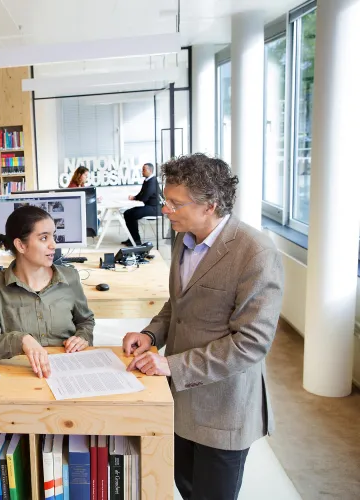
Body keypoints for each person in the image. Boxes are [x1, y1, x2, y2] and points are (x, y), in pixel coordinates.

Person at [121, 154, 283, 500]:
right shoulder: (184, 237)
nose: (165, 209)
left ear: (210, 205)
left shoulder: (256, 253)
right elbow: (177, 304)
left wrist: (172, 364)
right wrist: (150, 335)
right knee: (185, 486)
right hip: (180, 399)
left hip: (223, 408)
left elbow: (251, 344)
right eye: (166, 200)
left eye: (175, 204)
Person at [0, 206, 95, 378]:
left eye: (53, 235)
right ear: (21, 245)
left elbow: (85, 321)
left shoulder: (71, 277)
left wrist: (83, 337)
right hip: (21, 373)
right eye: (44, 238)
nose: (54, 244)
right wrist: (21, 340)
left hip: (69, 370)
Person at [122, 163, 160, 246]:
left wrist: (138, 198)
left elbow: (145, 197)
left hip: (155, 208)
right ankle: (132, 238)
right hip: (149, 206)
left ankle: (136, 240)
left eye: (144, 170)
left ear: (150, 171)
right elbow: (142, 193)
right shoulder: (147, 180)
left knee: (130, 214)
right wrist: (134, 197)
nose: (142, 171)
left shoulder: (152, 181)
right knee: (127, 213)